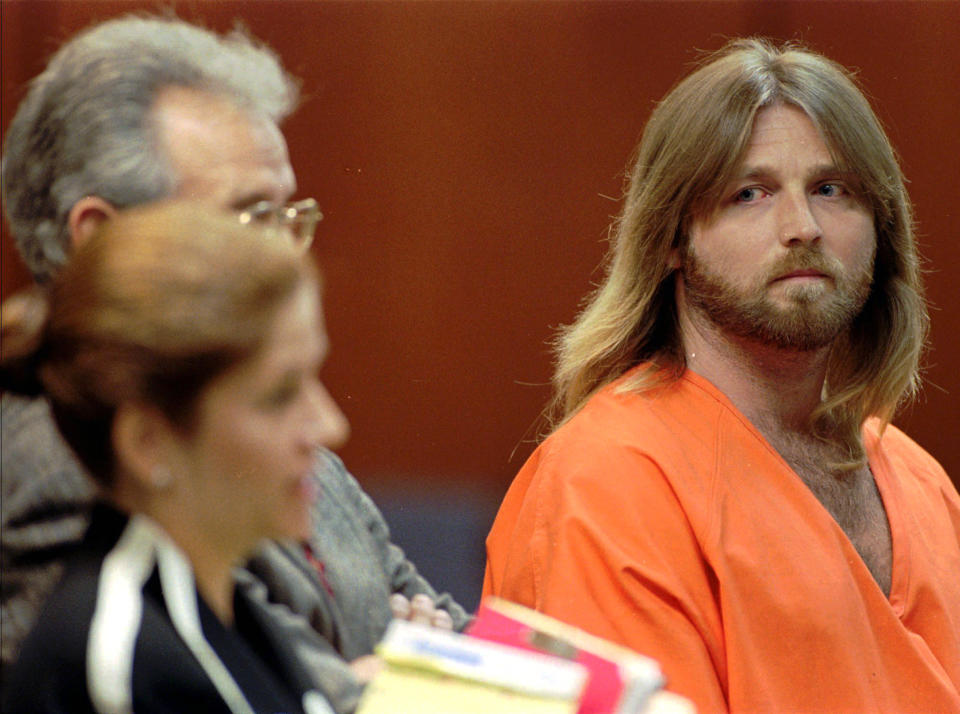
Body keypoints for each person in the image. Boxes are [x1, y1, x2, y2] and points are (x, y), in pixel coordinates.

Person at [0, 14, 468, 708]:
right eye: (251, 219)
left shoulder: (257, 407)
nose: (286, 258)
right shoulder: (72, 453)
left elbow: (443, 634)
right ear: (101, 239)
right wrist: (403, 674)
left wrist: (415, 672)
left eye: (290, 217)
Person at [484, 38, 960, 712]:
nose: (803, 227)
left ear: (882, 230)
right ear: (672, 239)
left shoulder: (921, 482)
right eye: (750, 193)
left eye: (831, 190)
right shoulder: (606, 480)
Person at [1, 202, 343, 712]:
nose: (331, 426)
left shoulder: (229, 609)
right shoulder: (119, 665)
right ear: (148, 443)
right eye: (280, 394)